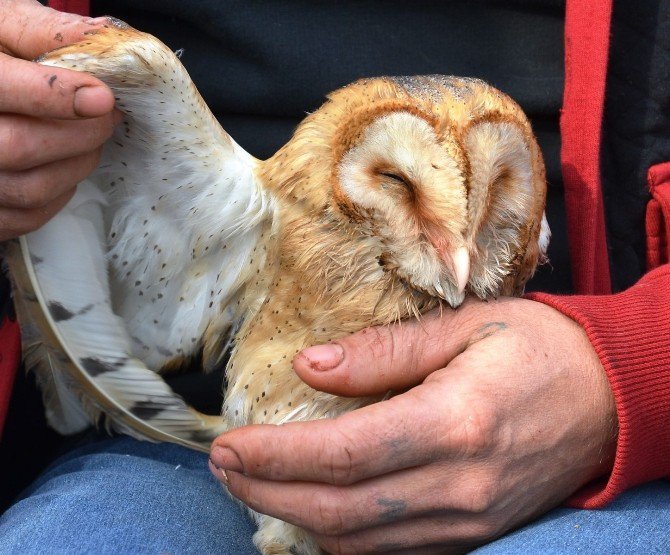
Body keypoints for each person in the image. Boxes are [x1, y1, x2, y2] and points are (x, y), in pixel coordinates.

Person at [1, 0, 669, 553]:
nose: (455, 256)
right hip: (189, 441)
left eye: (495, 199)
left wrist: (622, 372)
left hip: (574, 444)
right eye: (403, 191)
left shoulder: (516, 237)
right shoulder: (237, 194)